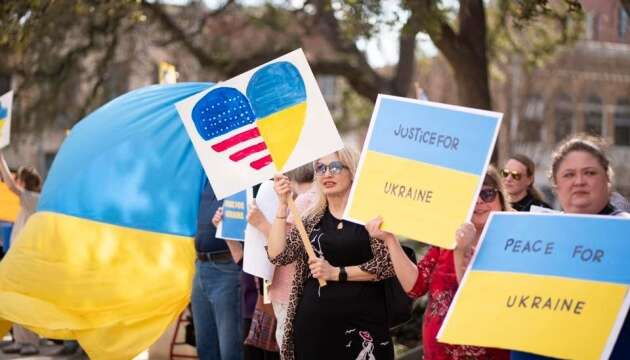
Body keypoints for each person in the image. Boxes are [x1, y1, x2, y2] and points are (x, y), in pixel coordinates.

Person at [368, 166, 511, 360]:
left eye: (487, 193)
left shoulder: (513, 245)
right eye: (471, 196)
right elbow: (415, 287)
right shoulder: (445, 242)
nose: (478, 201)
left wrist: (462, 251)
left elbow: (477, 301)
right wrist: (389, 239)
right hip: (439, 354)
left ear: (501, 199)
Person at [267, 148, 395, 360]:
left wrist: (336, 273)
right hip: (314, 328)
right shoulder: (310, 218)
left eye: (335, 167)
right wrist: (282, 207)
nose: (327, 173)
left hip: (363, 328)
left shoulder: (371, 216)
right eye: (321, 168)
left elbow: (386, 264)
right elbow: (278, 255)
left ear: (352, 171)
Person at [512, 135, 629, 360]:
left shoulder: (624, 231)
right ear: (556, 186)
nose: (579, 181)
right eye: (569, 175)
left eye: (590, 173)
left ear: (607, 179)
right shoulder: (535, 235)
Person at [247, 165, 316, 353]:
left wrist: (261, 223)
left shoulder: (305, 200)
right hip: (293, 293)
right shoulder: (311, 197)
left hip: (291, 294)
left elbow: (287, 250)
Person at [191, 182, 243, 360]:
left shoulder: (243, 179)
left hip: (228, 268)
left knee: (230, 350)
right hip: (201, 266)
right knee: (206, 348)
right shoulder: (205, 180)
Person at [0, 151, 43, 356]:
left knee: (26, 302)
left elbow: (9, 185)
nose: (15, 180)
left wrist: (0, 157)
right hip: (19, 259)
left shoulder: (33, 198)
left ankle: (31, 343)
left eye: (19, 178)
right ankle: (21, 340)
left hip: (29, 261)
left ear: (24, 181)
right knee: (16, 301)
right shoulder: (26, 201)